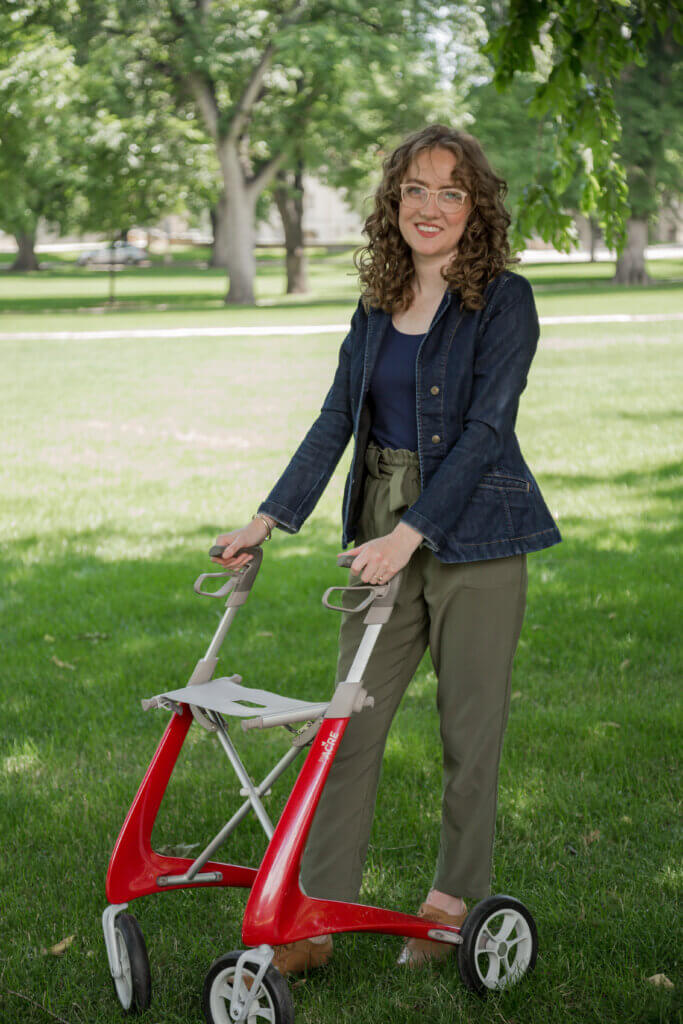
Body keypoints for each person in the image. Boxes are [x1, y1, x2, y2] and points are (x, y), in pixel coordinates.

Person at [213, 124, 561, 974]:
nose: (430, 206)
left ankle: (450, 905)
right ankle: (319, 916)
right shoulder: (376, 301)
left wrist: (413, 536)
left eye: (450, 190)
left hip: (475, 533)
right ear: (392, 203)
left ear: (474, 207)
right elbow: (336, 418)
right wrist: (268, 518)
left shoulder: (503, 301)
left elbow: (486, 431)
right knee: (346, 724)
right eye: (415, 189)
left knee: (467, 731)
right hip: (380, 525)